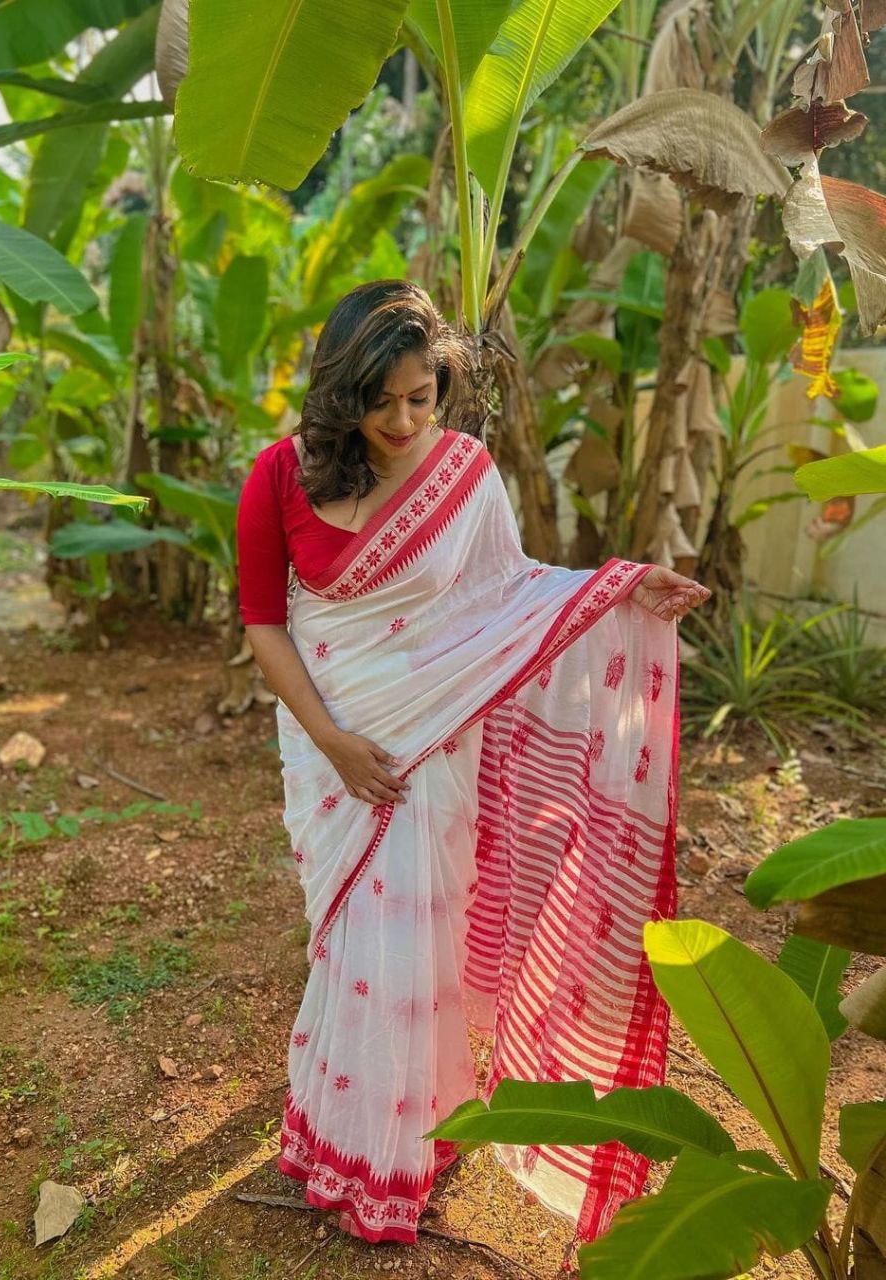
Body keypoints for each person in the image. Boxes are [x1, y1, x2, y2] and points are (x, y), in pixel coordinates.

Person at [235, 279, 710, 1256]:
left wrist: (620, 589)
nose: (405, 421)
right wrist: (334, 742)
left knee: (415, 945)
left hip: (431, 742)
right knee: (355, 948)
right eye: (383, 400)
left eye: (423, 396)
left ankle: (404, 1141)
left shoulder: (464, 472)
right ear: (341, 390)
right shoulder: (277, 477)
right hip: (337, 751)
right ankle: (347, 1133)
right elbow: (264, 626)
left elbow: (508, 591)